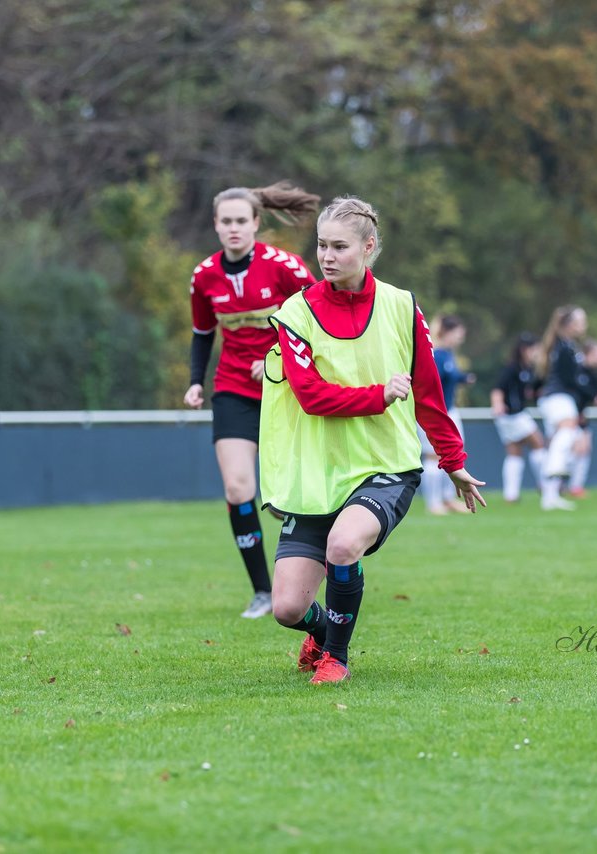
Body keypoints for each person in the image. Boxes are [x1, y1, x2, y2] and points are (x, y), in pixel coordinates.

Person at [260, 196, 487, 684]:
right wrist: (379, 394)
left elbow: (429, 392)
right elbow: (311, 397)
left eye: (340, 246)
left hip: (385, 465)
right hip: (318, 474)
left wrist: (453, 461)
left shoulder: (402, 306)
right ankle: (322, 633)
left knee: (344, 545)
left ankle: (336, 657)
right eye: (321, 245)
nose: (327, 256)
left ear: (368, 248)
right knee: (285, 608)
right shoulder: (295, 313)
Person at [183, 182, 320, 619]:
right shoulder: (204, 276)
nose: (234, 228)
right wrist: (194, 381)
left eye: (242, 220)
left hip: (288, 392)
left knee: (302, 492)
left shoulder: (286, 267)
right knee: (238, 486)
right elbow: (203, 333)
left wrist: (280, 359)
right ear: (216, 226)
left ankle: (317, 578)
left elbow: (320, 317)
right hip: (233, 389)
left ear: (257, 224)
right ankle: (263, 591)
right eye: (226, 221)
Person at [532, 305, 590, 511]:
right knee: (567, 431)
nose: (584, 325)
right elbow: (570, 379)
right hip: (558, 398)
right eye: (580, 321)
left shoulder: (566, 345)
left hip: (557, 399)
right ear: (569, 325)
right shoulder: (564, 347)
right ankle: (554, 467)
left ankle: (550, 497)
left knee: (562, 442)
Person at [420, 314, 476, 514]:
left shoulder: (448, 355)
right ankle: (433, 503)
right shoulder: (435, 354)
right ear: (447, 332)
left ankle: (447, 499)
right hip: (435, 413)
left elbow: (449, 377)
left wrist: (464, 378)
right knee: (433, 456)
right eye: (458, 333)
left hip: (450, 411)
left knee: (453, 454)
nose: (460, 338)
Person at [490, 333, 546, 503]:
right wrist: (497, 404)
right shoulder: (512, 368)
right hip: (512, 415)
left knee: (514, 453)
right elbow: (497, 389)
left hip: (514, 415)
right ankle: (545, 483)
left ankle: (511, 495)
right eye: (533, 349)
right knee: (538, 442)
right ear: (524, 350)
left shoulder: (527, 370)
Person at [566, 338, 597, 499]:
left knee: (583, 449)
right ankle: (564, 485)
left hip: (580, 415)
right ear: (587, 353)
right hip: (569, 416)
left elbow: (596, 397)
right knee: (573, 450)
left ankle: (573, 486)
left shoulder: (591, 373)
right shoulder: (575, 370)